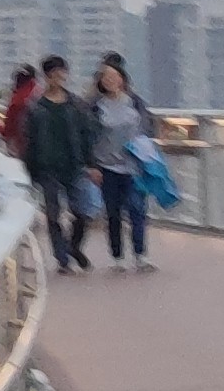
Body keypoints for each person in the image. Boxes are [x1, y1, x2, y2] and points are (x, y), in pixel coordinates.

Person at [12, 57, 100, 269]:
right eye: (54, 74)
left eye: (62, 74)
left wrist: (92, 164)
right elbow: (28, 140)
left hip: (75, 166)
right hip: (47, 168)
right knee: (53, 215)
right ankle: (62, 258)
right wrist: (30, 170)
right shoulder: (35, 108)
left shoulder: (76, 105)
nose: (59, 78)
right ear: (47, 76)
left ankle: (73, 246)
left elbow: (87, 135)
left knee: (82, 212)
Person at [85, 53, 161, 271]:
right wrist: (92, 165)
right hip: (107, 168)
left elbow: (148, 129)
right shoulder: (94, 107)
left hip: (134, 167)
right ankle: (117, 257)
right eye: (105, 77)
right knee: (114, 214)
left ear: (123, 79)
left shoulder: (135, 103)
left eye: (114, 76)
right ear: (100, 81)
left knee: (137, 210)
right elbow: (88, 137)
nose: (110, 80)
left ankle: (140, 255)